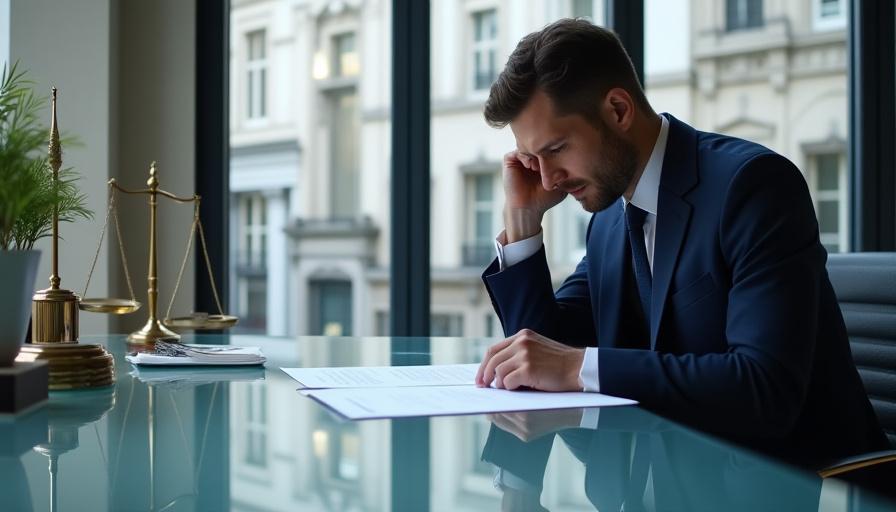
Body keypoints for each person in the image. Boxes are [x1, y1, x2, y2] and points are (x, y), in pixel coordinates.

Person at [474, 18, 887, 465]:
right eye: (533, 158)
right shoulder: (610, 219)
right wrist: (523, 223)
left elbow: (763, 387)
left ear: (617, 110)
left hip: (794, 486)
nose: (548, 177)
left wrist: (575, 366)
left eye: (555, 150)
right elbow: (541, 355)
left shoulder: (752, 187)